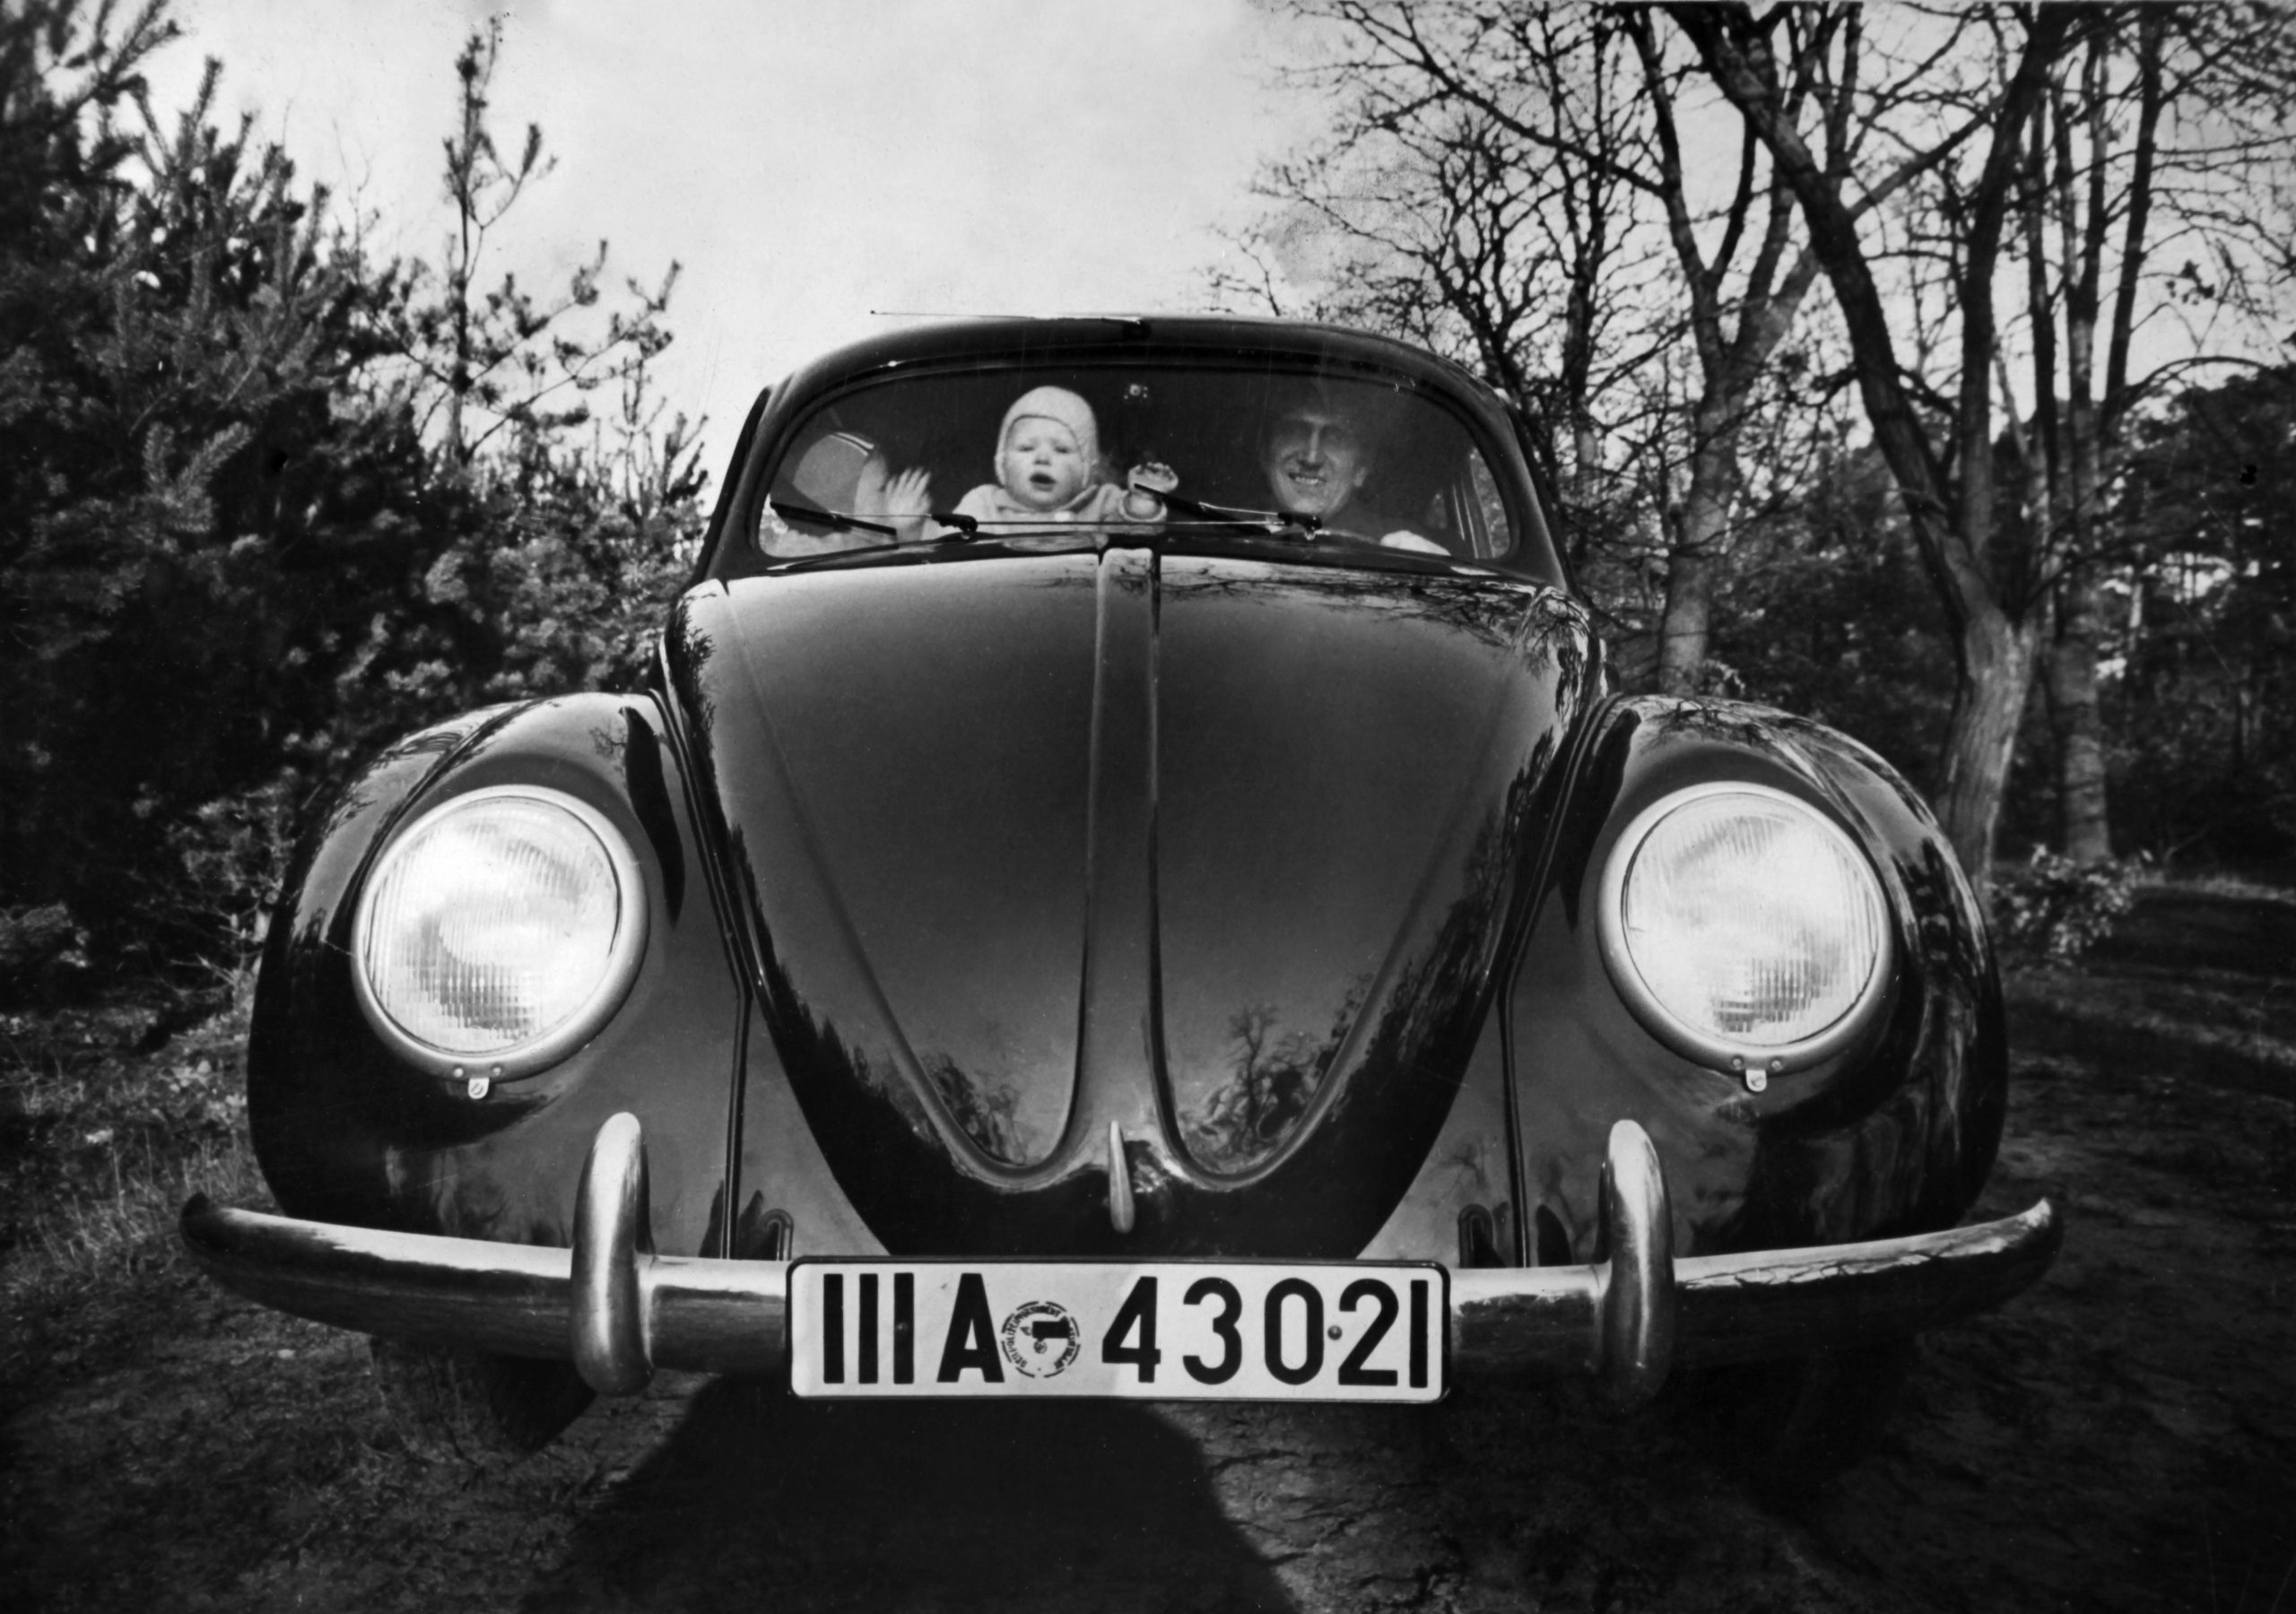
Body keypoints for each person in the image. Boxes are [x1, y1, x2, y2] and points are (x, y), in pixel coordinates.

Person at [945, 386, 1170, 534]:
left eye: (1062, 450)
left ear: (1086, 468)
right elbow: (946, 552)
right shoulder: (983, 504)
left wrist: (1143, 498)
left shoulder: (1103, 503)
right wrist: (921, 528)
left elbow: (1135, 540)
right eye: (1026, 448)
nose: (1042, 458)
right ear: (1002, 462)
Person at [1259, 383, 1447, 555]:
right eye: (1295, 432)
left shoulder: (1399, 547)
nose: (1311, 458)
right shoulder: (1240, 532)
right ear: (1265, 455)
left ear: (1360, 470)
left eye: (1335, 439)